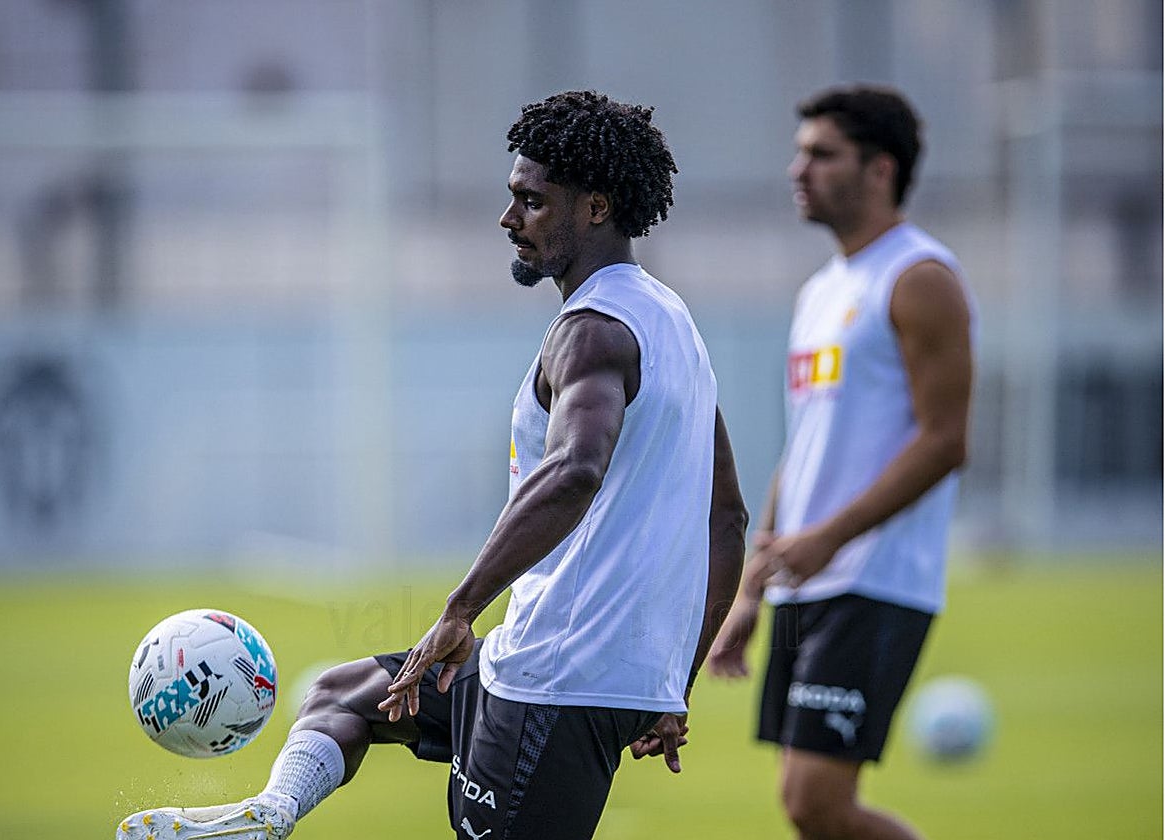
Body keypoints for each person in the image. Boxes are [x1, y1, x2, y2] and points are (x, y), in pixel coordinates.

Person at [116, 90, 748, 840]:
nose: (509, 219)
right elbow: (727, 516)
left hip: (555, 679)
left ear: (597, 207)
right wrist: (672, 681)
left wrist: (459, 609)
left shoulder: (591, 333)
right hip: (571, 667)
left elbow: (576, 469)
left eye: (532, 201)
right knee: (343, 694)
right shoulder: (673, 323)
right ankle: (270, 815)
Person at [707, 85, 976, 840]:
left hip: (875, 577)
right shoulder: (821, 291)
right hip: (805, 580)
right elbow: (808, 447)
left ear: (879, 168)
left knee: (817, 802)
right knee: (806, 806)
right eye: (800, 153)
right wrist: (755, 588)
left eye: (822, 154)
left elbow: (946, 440)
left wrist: (831, 537)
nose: (799, 169)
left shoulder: (919, 278)